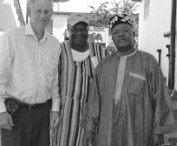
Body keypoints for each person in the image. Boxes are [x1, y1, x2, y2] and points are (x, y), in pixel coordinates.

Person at [79, 14, 176, 146]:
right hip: (107, 132)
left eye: (125, 30)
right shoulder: (104, 65)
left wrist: (158, 131)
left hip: (138, 131)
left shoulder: (148, 62)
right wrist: (89, 129)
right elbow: (94, 101)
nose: (120, 35)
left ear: (133, 34)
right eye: (116, 32)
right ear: (112, 37)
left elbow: (160, 98)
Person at [0, 0, 60, 146]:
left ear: (51, 13)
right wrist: (1, 111)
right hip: (16, 113)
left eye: (47, 12)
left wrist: (56, 109)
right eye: (38, 11)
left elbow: (54, 81)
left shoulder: (54, 44)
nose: (43, 15)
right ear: (29, 12)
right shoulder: (11, 38)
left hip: (42, 113)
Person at [50, 13, 107, 146]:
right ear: (68, 30)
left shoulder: (101, 53)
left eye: (83, 29)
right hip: (63, 116)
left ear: (88, 31)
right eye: (75, 29)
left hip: (91, 118)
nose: (79, 32)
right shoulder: (58, 50)